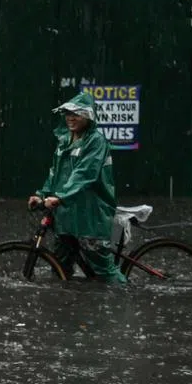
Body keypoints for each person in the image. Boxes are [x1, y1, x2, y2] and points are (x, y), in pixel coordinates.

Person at [29, 91, 126, 284]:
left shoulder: (96, 141)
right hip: (66, 215)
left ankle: (124, 297)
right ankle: (65, 306)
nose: (70, 118)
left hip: (90, 215)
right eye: (67, 114)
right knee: (60, 267)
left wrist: (61, 196)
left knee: (104, 270)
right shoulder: (64, 141)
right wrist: (41, 194)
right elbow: (54, 174)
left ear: (88, 116)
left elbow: (85, 174)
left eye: (76, 114)